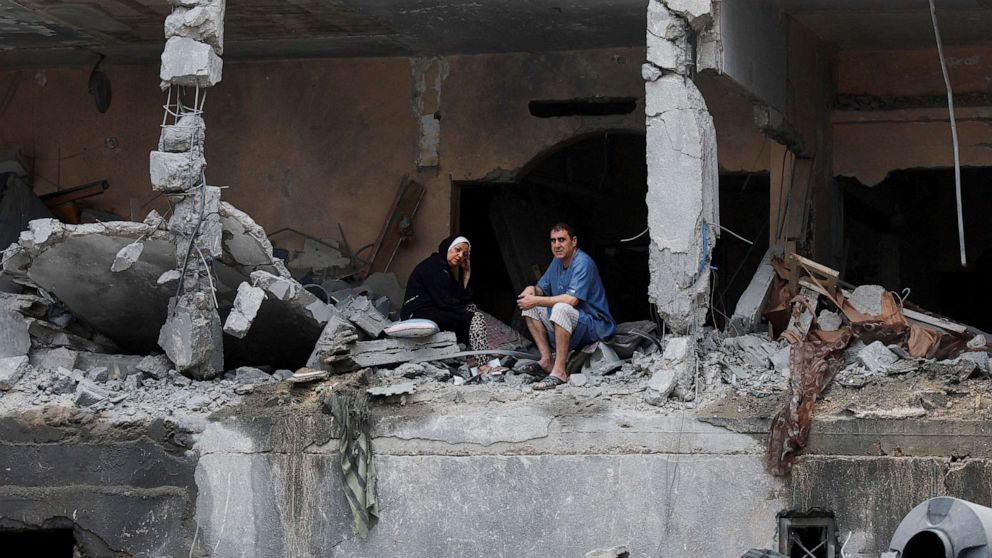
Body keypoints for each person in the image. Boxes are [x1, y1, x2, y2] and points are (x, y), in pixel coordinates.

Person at [517, 223, 615, 390]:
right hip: (574, 321)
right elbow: (541, 289)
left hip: (594, 324)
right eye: (553, 240)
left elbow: (570, 301)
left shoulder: (583, 262)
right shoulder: (557, 261)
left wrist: (535, 300)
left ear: (574, 241)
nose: (557, 245)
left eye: (561, 240)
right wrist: (531, 290)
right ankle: (547, 360)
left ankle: (560, 372)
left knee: (560, 308)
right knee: (530, 307)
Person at [401, 234, 488, 351]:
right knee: (474, 317)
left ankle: (469, 353)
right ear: (447, 247)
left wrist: (467, 272)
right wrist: (466, 313)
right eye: (457, 250)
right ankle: (481, 364)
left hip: (432, 310)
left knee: (469, 309)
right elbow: (446, 302)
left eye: (465, 254)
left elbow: (459, 297)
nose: (460, 256)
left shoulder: (444, 269)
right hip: (417, 313)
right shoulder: (434, 266)